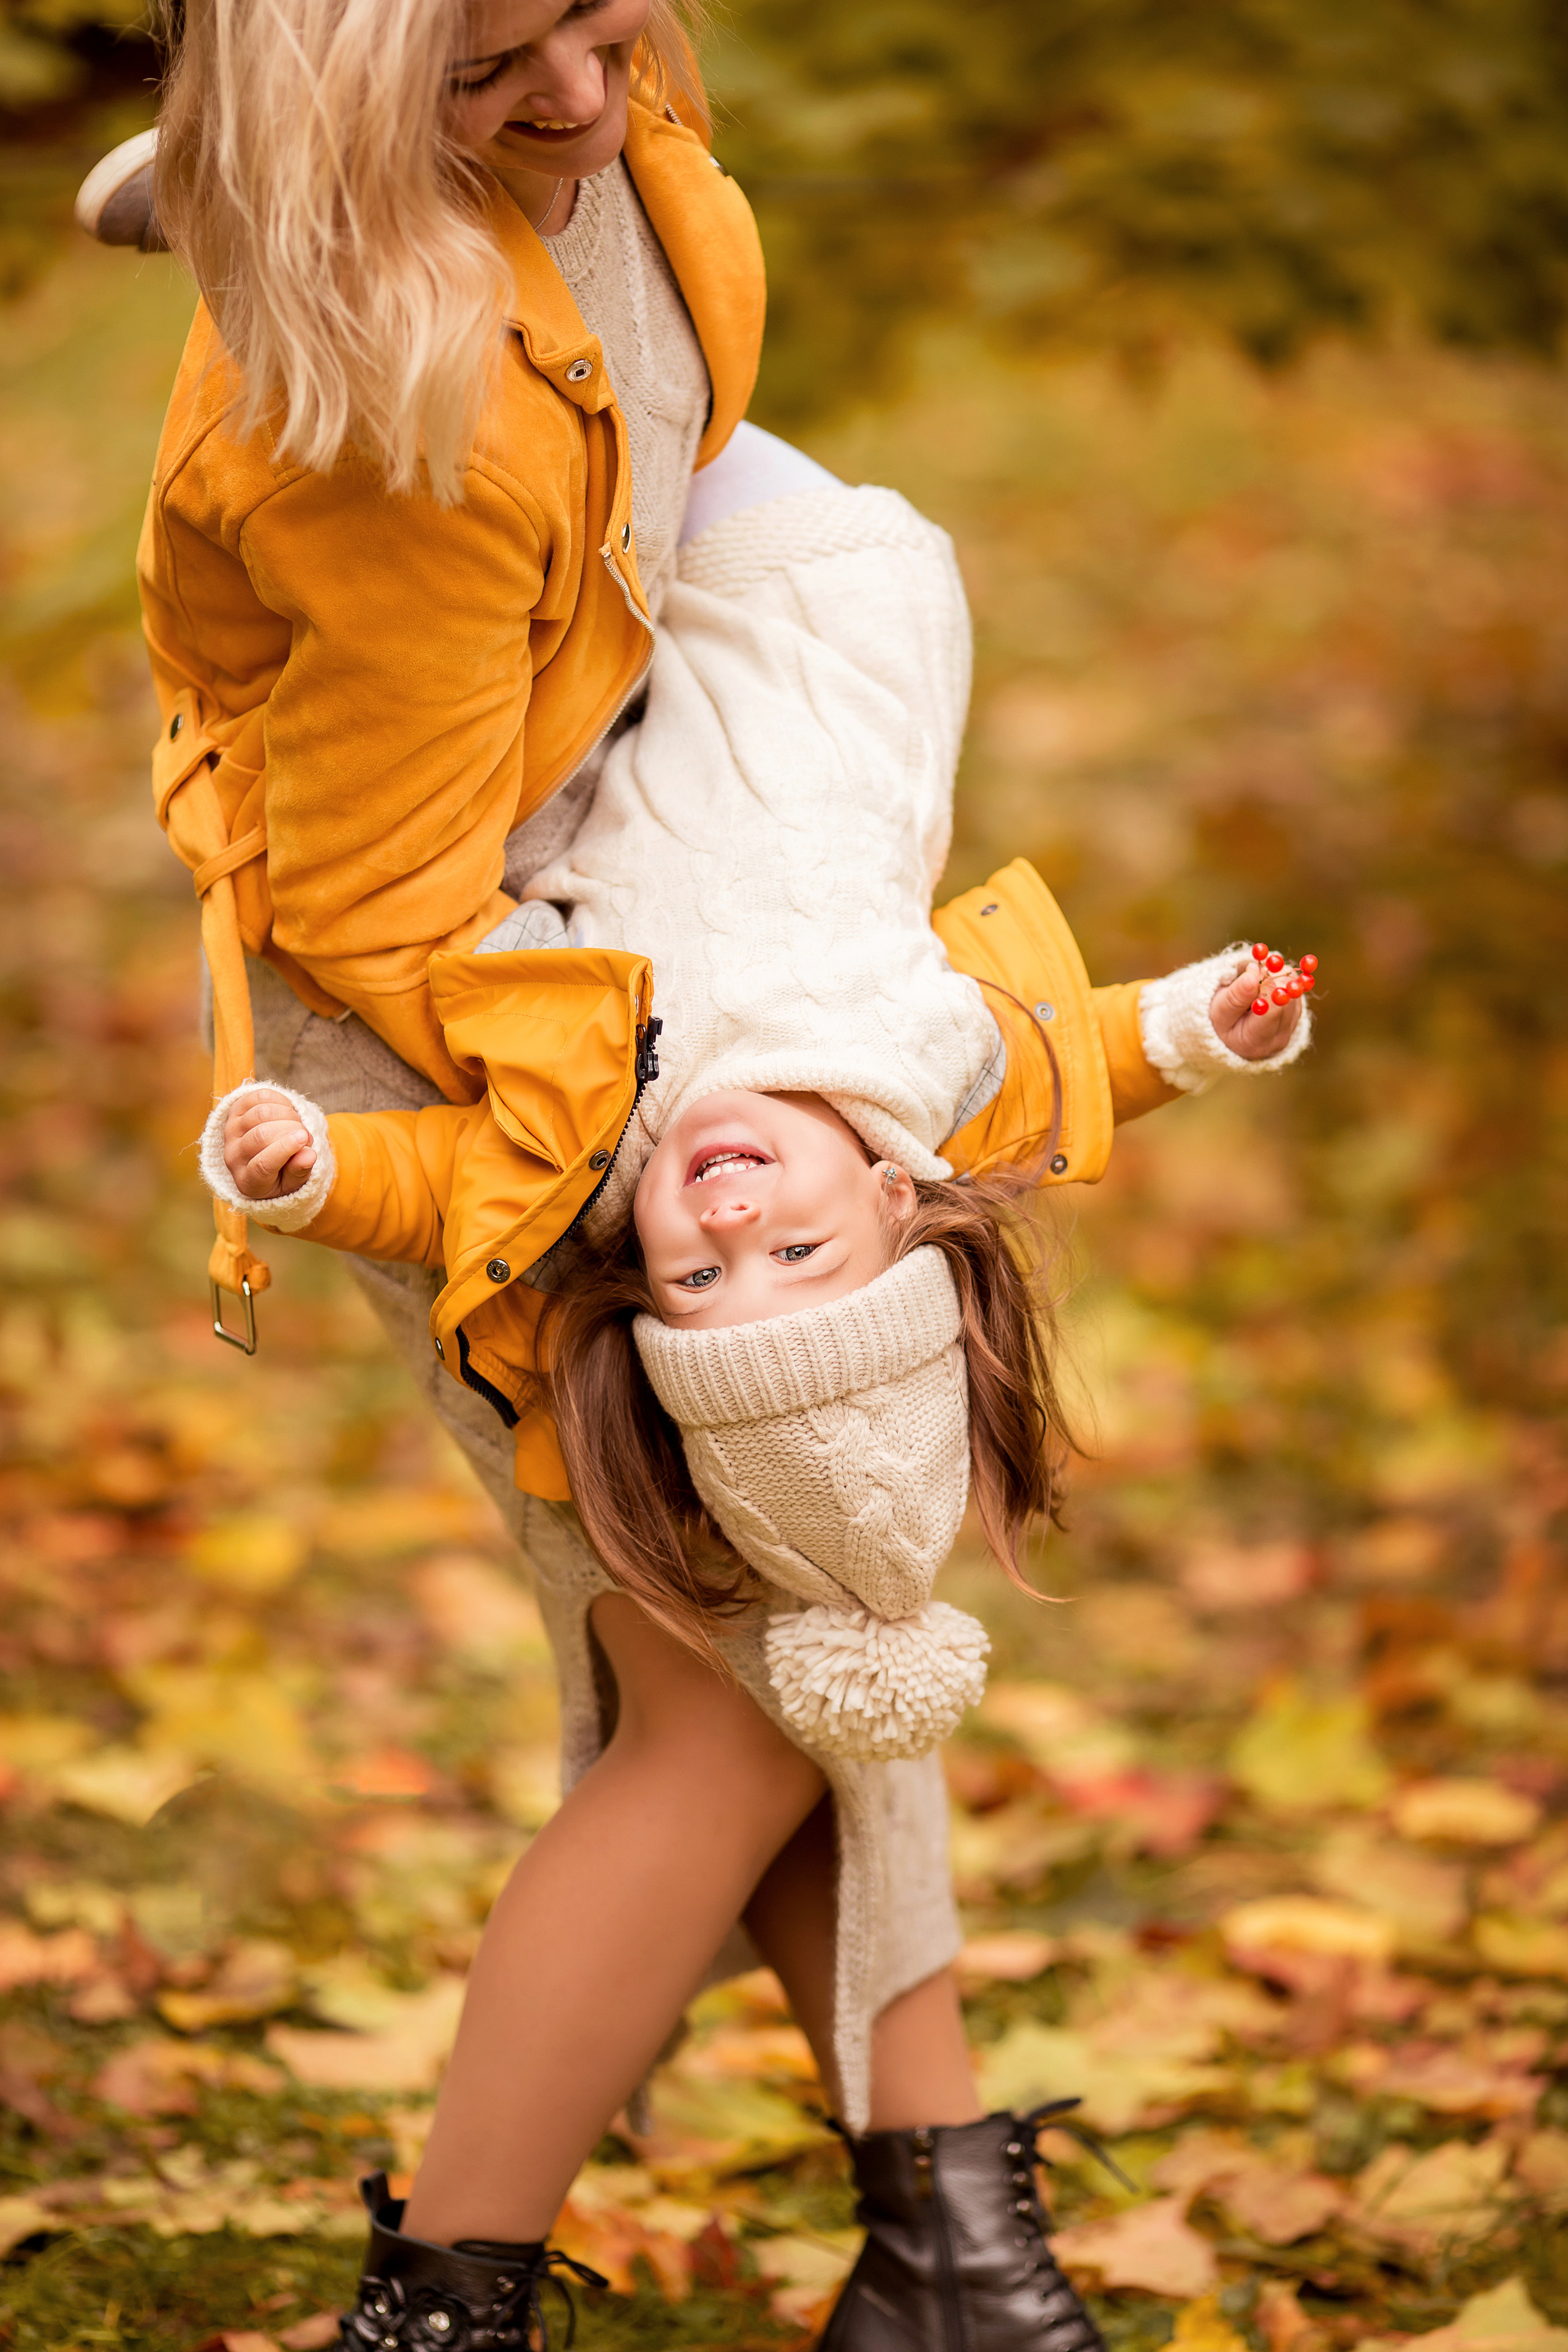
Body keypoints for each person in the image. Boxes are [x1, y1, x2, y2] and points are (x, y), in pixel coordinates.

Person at [200, 464, 1314, 2347]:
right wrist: (1211, 1021)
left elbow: (438, 1181)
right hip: (573, 738)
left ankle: (481, 2306)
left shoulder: (626, 1163)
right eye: (769, 1268)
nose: (731, 1231)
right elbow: (1069, 1058)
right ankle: (950, 2261)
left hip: (458, 923)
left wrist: (311, 1174)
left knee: (764, 1685)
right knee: (756, 1691)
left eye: (721, 1280)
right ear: (903, 1219)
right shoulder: (905, 1109)